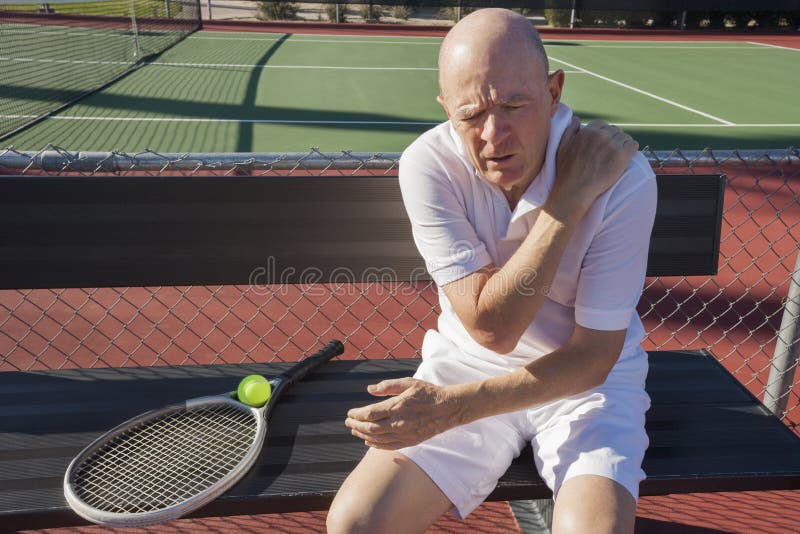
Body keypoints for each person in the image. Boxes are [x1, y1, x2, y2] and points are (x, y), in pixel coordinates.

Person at [327, 8, 656, 534]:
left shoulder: (623, 178)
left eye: (515, 104)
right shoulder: (429, 164)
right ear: (445, 111)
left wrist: (452, 410)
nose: (494, 135)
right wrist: (568, 201)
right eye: (471, 115)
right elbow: (491, 329)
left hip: (585, 384)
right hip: (469, 366)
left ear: (554, 92)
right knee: (356, 524)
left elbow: (594, 357)